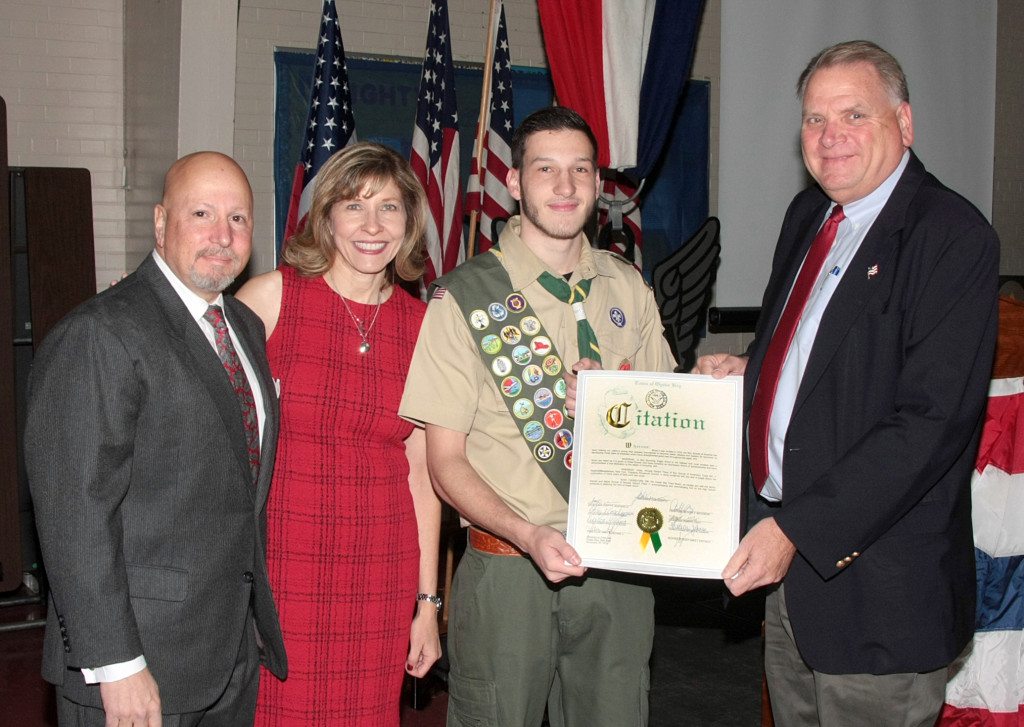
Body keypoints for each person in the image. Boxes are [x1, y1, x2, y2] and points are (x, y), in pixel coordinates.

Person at [695, 40, 999, 725]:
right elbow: (827, 355)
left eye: (853, 115)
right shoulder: (809, 218)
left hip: (877, 594)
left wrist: (795, 529)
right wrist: (757, 371)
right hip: (790, 583)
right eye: (813, 119)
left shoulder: (952, 236)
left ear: (905, 123)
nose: (830, 138)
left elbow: (928, 422)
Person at [399, 106, 677, 726]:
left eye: (581, 169)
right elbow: (444, 464)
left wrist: (628, 404)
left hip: (618, 565)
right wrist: (527, 535)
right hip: (507, 569)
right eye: (546, 168)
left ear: (599, 185)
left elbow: (669, 422)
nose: (566, 185)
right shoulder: (465, 297)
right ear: (516, 183)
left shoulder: (628, 286)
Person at [25, 151, 287, 725]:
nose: (223, 235)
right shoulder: (99, 334)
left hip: (228, 653)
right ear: (161, 223)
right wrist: (116, 665)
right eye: (201, 214)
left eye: (238, 218)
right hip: (137, 661)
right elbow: (75, 514)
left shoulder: (242, 326)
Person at [236, 141, 441, 726]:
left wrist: (426, 604)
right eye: (354, 206)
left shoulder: (424, 327)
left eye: (390, 208)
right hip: (283, 565)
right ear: (325, 217)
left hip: (382, 571)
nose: (372, 226)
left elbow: (423, 476)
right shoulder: (271, 299)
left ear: (410, 223)